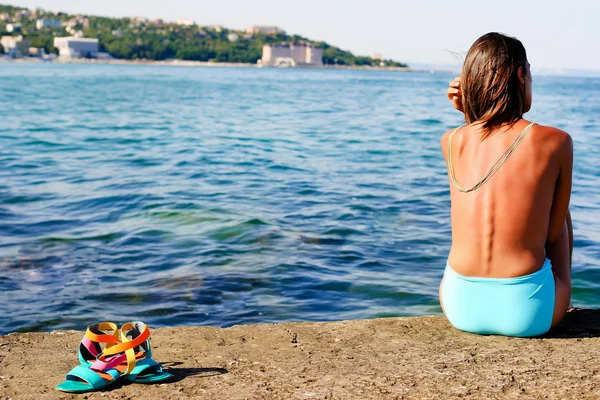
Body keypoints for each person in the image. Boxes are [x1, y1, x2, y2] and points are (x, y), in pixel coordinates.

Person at [439, 32, 573, 337]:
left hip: (459, 305)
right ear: (520, 74)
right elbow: (551, 236)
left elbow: (486, 152)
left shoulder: (450, 140)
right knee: (559, 210)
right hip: (528, 313)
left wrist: (469, 112)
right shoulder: (557, 141)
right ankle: (560, 291)